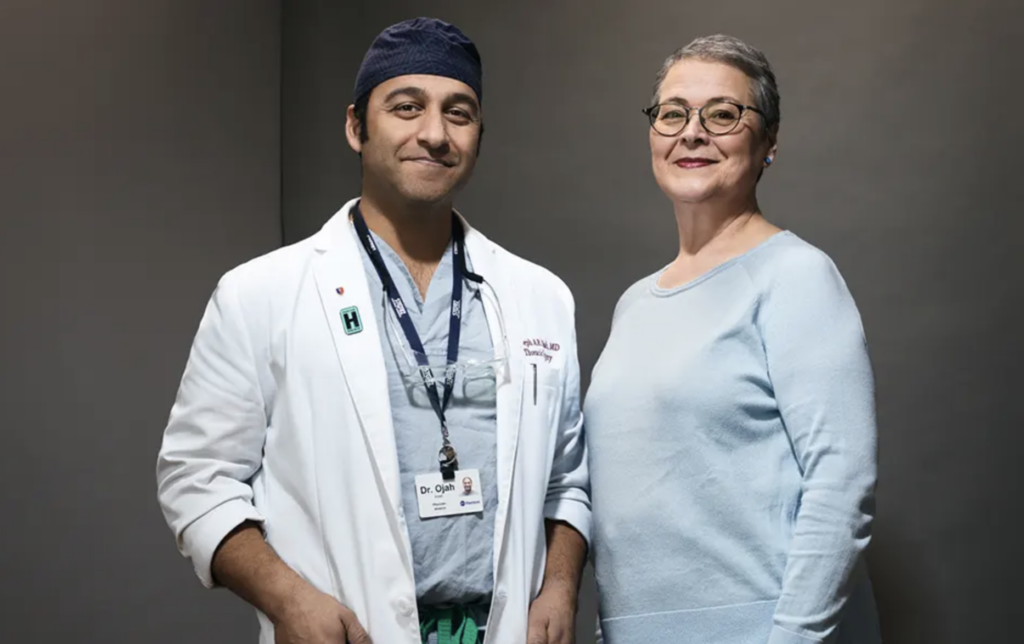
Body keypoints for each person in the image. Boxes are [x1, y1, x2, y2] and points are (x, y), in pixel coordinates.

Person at [155, 17, 589, 644]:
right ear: (357, 126)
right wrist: (289, 601)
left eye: (458, 113)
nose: (434, 134)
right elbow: (195, 477)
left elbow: (567, 480)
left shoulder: (539, 298)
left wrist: (559, 588)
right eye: (406, 107)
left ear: (479, 134)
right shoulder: (261, 294)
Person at [584, 35, 881, 644]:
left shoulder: (796, 276)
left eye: (723, 114)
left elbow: (841, 484)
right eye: (673, 113)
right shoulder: (634, 303)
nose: (692, 133)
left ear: (767, 142)